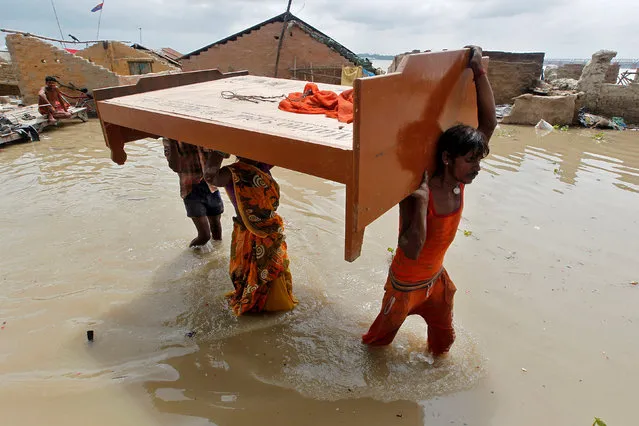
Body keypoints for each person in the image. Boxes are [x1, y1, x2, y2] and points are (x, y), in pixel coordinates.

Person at [362, 46, 497, 357]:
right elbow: (410, 248)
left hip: (435, 281)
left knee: (443, 343)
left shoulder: (460, 177)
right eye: (471, 161)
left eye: (479, 161)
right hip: (404, 286)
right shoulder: (417, 190)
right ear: (447, 158)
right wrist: (421, 204)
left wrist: (479, 73)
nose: (477, 168)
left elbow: (488, 123)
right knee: (376, 345)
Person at [212, 157, 297, 316]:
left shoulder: (263, 163)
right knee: (249, 268)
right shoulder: (230, 172)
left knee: (271, 266)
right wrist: (215, 153)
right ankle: (256, 301)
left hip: (269, 228)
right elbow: (212, 178)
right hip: (248, 231)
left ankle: (273, 303)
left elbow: (281, 151)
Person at [163, 138, 226, 247]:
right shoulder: (170, 139)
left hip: (211, 187)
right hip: (190, 190)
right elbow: (175, 167)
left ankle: (216, 258)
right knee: (204, 236)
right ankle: (191, 254)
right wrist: (172, 139)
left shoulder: (202, 132)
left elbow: (224, 154)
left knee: (217, 230)